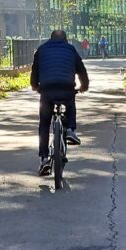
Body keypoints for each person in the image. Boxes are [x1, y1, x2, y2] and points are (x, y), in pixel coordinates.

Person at [30, 30, 89, 176]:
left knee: (44, 124)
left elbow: (35, 72)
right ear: (65, 39)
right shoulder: (70, 49)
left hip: (47, 90)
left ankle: (44, 159)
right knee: (70, 104)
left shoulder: (41, 50)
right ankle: (71, 130)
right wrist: (83, 87)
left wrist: (35, 86)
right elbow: (81, 71)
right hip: (66, 88)